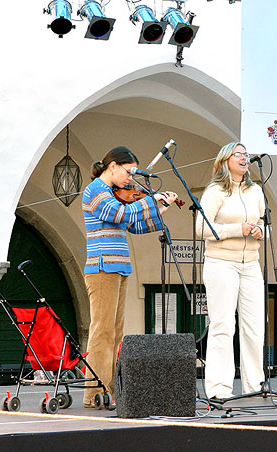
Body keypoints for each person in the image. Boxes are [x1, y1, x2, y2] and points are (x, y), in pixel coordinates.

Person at [81, 146, 178, 408]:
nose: (130, 178)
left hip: (119, 267)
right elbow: (120, 214)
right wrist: (151, 201)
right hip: (103, 268)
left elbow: (133, 225)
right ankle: (94, 393)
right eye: (128, 171)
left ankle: (110, 389)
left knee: (115, 332)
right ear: (112, 166)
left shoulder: (113, 194)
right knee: (102, 332)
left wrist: (160, 210)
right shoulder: (96, 192)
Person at [197, 142, 265, 401]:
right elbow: (201, 228)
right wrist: (238, 229)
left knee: (254, 327)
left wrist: (260, 231)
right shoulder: (215, 192)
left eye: (246, 154)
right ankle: (218, 389)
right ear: (225, 160)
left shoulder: (255, 191)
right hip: (221, 262)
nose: (244, 158)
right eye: (239, 154)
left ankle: (255, 386)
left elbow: (264, 225)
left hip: (251, 264)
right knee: (223, 325)